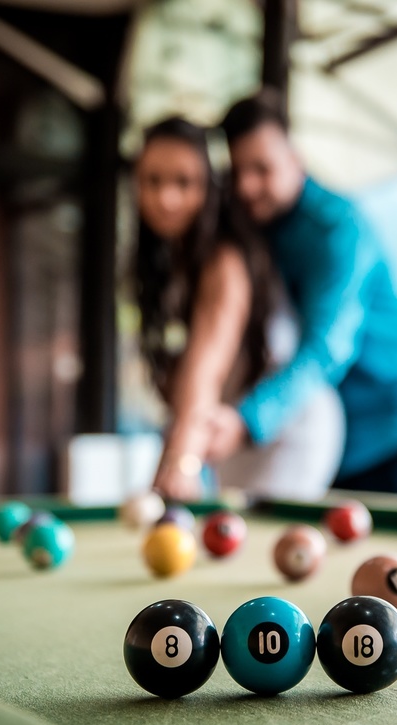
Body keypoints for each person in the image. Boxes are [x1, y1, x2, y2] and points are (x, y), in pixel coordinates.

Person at [208, 91, 397, 497]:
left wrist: (246, 421)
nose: (248, 186)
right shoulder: (254, 235)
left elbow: (327, 346)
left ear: (294, 161)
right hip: (340, 437)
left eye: (261, 169)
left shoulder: (339, 228)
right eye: (238, 172)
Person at [133, 117, 344, 502]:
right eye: (153, 180)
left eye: (184, 182)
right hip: (227, 437)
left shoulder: (224, 259)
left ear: (211, 186)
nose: (167, 198)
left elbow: (205, 368)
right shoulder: (173, 263)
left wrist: (179, 463)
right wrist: (175, 458)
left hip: (288, 432)